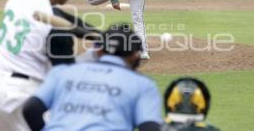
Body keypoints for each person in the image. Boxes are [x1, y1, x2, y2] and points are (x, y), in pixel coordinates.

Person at [0, 0, 98, 131]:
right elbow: (67, 74)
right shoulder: (56, 31)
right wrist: (96, 54)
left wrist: (97, 34)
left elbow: (58, 14)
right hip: (19, 95)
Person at [23, 23, 163, 131]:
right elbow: (149, 127)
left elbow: (31, 108)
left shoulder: (62, 72)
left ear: (99, 51)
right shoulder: (143, 85)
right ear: (135, 56)